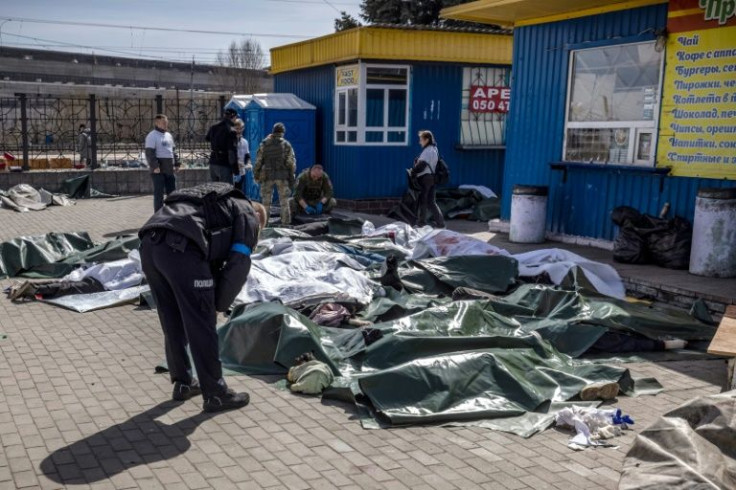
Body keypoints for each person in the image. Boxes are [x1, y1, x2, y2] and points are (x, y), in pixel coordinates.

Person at [138, 182, 267, 413]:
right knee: (202, 324)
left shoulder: (216, 200)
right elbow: (238, 264)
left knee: (172, 317)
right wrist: (216, 304)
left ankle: (183, 383)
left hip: (150, 243)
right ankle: (216, 394)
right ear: (257, 216)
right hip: (182, 249)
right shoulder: (248, 214)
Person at [8, 250, 143, 301]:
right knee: (67, 287)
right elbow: (123, 282)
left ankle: (30, 286)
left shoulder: (131, 259)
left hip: (95, 274)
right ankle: (34, 289)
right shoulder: (140, 271)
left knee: (65, 284)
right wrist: (109, 288)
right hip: (100, 282)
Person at [254, 122, 296, 225]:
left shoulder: (264, 143)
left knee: (266, 203)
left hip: (267, 176)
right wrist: (291, 177)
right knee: (284, 202)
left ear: (273, 131)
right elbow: (291, 163)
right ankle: (285, 225)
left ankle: (264, 224)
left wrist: (256, 175)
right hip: (282, 176)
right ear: (283, 132)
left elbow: (258, 161)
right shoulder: (286, 144)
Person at [145, 114, 180, 212]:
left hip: (169, 168)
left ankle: (172, 214)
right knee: (159, 194)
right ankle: (158, 216)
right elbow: (149, 153)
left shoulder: (168, 135)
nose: (166, 124)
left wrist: (177, 164)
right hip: (158, 170)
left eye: (166, 122)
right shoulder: (152, 136)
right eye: (164, 122)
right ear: (157, 123)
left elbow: (173, 151)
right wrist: (155, 166)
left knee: (172, 193)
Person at [411, 130, 445, 228]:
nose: (420, 142)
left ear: (427, 140)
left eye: (421, 140)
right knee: (431, 202)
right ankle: (441, 223)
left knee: (423, 201)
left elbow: (422, 165)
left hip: (425, 178)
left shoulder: (427, 150)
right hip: (432, 178)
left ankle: (421, 223)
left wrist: (413, 171)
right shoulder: (435, 149)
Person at [205, 108, 239, 183]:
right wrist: (236, 170)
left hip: (213, 162)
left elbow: (207, 138)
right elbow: (231, 152)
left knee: (214, 190)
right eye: (236, 117)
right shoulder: (231, 130)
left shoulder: (214, 127)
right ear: (233, 117)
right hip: (224, 164)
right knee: (226, 191)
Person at [232, 118, 251, 195]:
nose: (239, 131)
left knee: (239, 191)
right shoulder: (230, 140)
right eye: (237, 129)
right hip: (231, 171)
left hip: (241, 171)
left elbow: (247, 155)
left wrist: (248, 163)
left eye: (241, 129)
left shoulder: (245, 141)